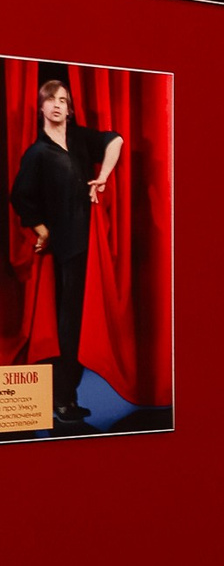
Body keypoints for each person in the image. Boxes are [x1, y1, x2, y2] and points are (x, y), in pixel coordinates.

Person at [8, 75, 123, 431]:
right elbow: (19, 196)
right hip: (65, 251)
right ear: (41, 107)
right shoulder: (38, 153)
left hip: (90, 246)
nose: (58, 105)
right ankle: (62, 399)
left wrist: (103, 176)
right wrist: (42, 230)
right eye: (51, 99)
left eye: (63, 100)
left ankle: (67, 396)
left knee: (81, 322)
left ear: (69, 109)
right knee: (67, 326)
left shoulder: (78, 138)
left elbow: (116, 139)